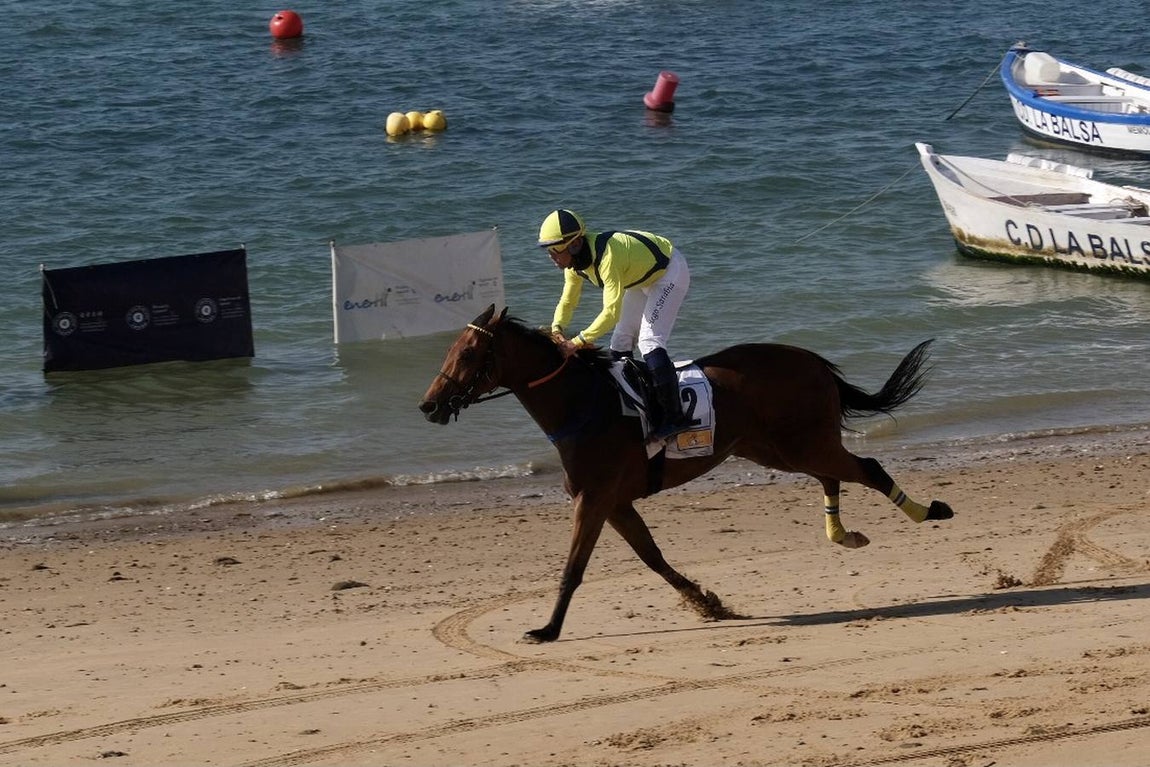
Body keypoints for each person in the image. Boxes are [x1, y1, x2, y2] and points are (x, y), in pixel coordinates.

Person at [537, 208, 691, 439]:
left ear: (575, 244)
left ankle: (675, 418)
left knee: (649, 341)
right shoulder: (575, 266)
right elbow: (568, 300)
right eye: (548, 250)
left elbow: (610, 312)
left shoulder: (608, 257)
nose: (551, 256)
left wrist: (577, 342)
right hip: (639, 278)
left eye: (555, 250)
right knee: (620, 342)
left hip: (669, 272)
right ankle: (636, 409)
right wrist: (557, 327)